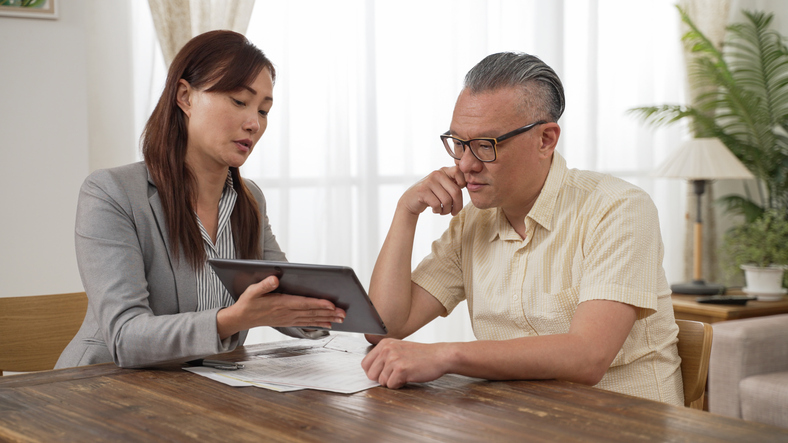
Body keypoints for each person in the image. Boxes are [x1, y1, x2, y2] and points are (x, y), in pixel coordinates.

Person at [361, 52, 684, 406]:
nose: (466, 164)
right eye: (459, 144)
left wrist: (445, 355)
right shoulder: (473, 222)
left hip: (622, 421)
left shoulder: (618, 208)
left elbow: (588, 356)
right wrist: (406, 212)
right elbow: (384, 328)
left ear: (545, 140)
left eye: (485, 146)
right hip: (518, 419)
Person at [56, 30, 345, 369]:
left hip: (200, 387)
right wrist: (232, 319)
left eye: (264, 110)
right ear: (185, 97)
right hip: (101, 386)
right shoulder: (111, 192)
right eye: (239, 101)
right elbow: (126, 337)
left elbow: (280, 295)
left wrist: (339, 312)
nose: (254, 123)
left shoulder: (249, 199)